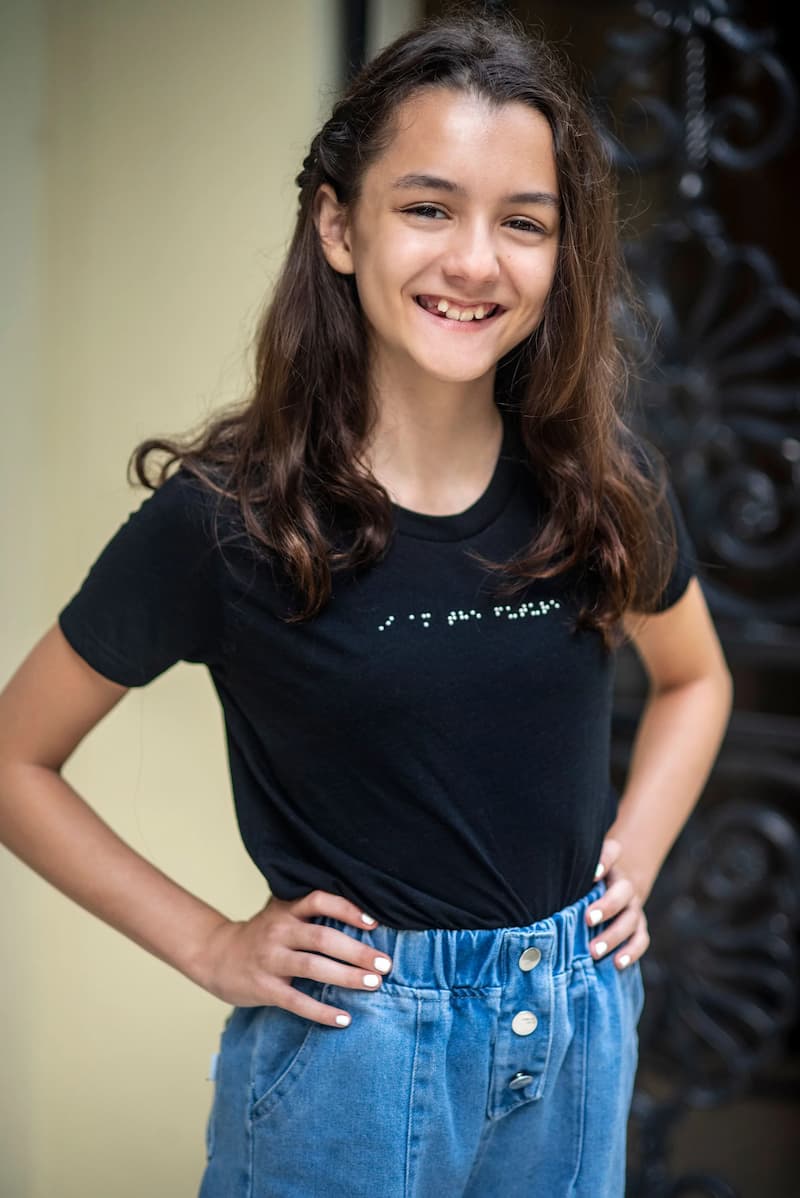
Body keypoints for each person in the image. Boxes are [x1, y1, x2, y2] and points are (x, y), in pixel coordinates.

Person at [0, 7, 733, 1197]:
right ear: (339, 225)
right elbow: (14, 757)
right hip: (353, 1062)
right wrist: (208, 942)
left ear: (561, 257)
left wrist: (630, 860)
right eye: (427, 207)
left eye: (523, 223)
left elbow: (697, 679)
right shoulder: (227, 516)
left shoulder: (598, 486)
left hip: (577, 1034)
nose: (474, 261)